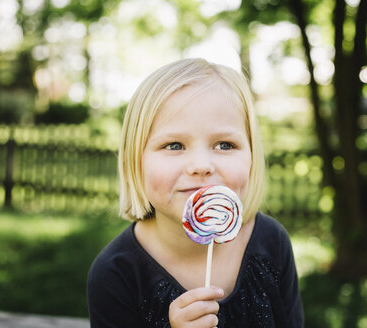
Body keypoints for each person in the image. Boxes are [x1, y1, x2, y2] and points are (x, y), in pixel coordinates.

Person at [87, 58, 304, 328]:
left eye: (225, 144)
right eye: (174, 145)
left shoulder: (272, 242)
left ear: (251, 154)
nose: (201, 166)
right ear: (136, 159)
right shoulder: (115, 273)